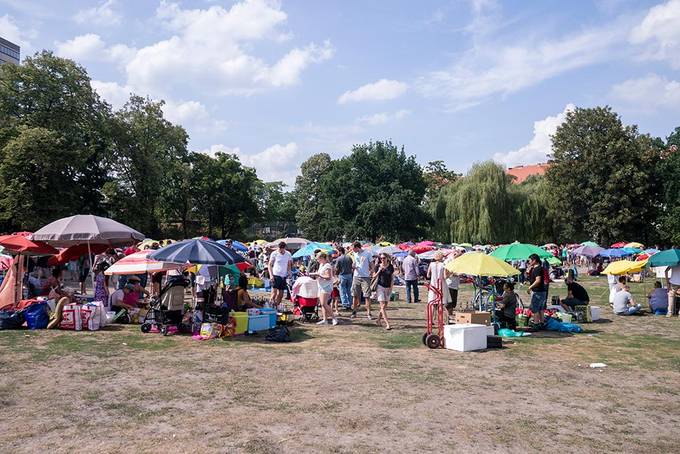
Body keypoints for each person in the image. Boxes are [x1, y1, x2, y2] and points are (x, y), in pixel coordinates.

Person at [311, 252, 337, 325]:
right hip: (321, 286)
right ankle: (325, 320)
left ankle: (334, 318)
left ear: (322, 258)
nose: (317, 260)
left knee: (324, 303)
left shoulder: (327, 265)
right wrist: (316, 275)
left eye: (318, 259)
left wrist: (319, 275)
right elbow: (321, 275)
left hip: (326, 286)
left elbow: (328, 277)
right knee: (323, 304)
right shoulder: (321, 265)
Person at [351, 242, 374, 319]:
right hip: (356, 276)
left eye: (353, 248)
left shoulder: (367, 253)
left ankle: (369, 313)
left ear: (357, 247)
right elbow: (355, 263)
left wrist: (372, 272)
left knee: (367, 295)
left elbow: (372, 264)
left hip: (365, 277)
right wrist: (353, 266)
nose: (352, 250)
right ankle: (354, 312)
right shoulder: (355, 254)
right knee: (355, 295)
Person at [268, 242, 292, 306]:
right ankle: (270, 307)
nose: (280, 250)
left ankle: (276, 306)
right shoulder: (274, 253)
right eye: (279, 249)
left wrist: (289, 273)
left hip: (283, 276)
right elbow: (269, 265)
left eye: (282, 249)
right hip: (275, 275)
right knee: (274, 294)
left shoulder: (288, 254)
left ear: (284, 248)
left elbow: (289, 265)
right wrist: (271, 275)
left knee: (281, 295)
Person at [374, 253, 394, 330]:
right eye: (381, 258)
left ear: (387, 258)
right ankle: (387, 324)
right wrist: (379, 270)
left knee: (384, 306)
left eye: (384, 258)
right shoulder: (378, 266)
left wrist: (391, 289)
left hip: (388, 287)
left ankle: (378, 320)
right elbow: (373, 276)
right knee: (382, 306)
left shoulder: (390, 267)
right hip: (380, 287)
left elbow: (392, 278)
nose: (382, 259)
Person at [526, 253, 547, 325]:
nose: (528, 262)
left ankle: (536, 323)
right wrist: (528, 273)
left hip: (537, 292)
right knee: (541, 308)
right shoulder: (538, 268)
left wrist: (530, 287)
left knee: (535, 309)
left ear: (534, 260)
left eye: (529, 260)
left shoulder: (537, 269)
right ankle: (541, 322)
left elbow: (538, 281)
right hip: (542, 291)